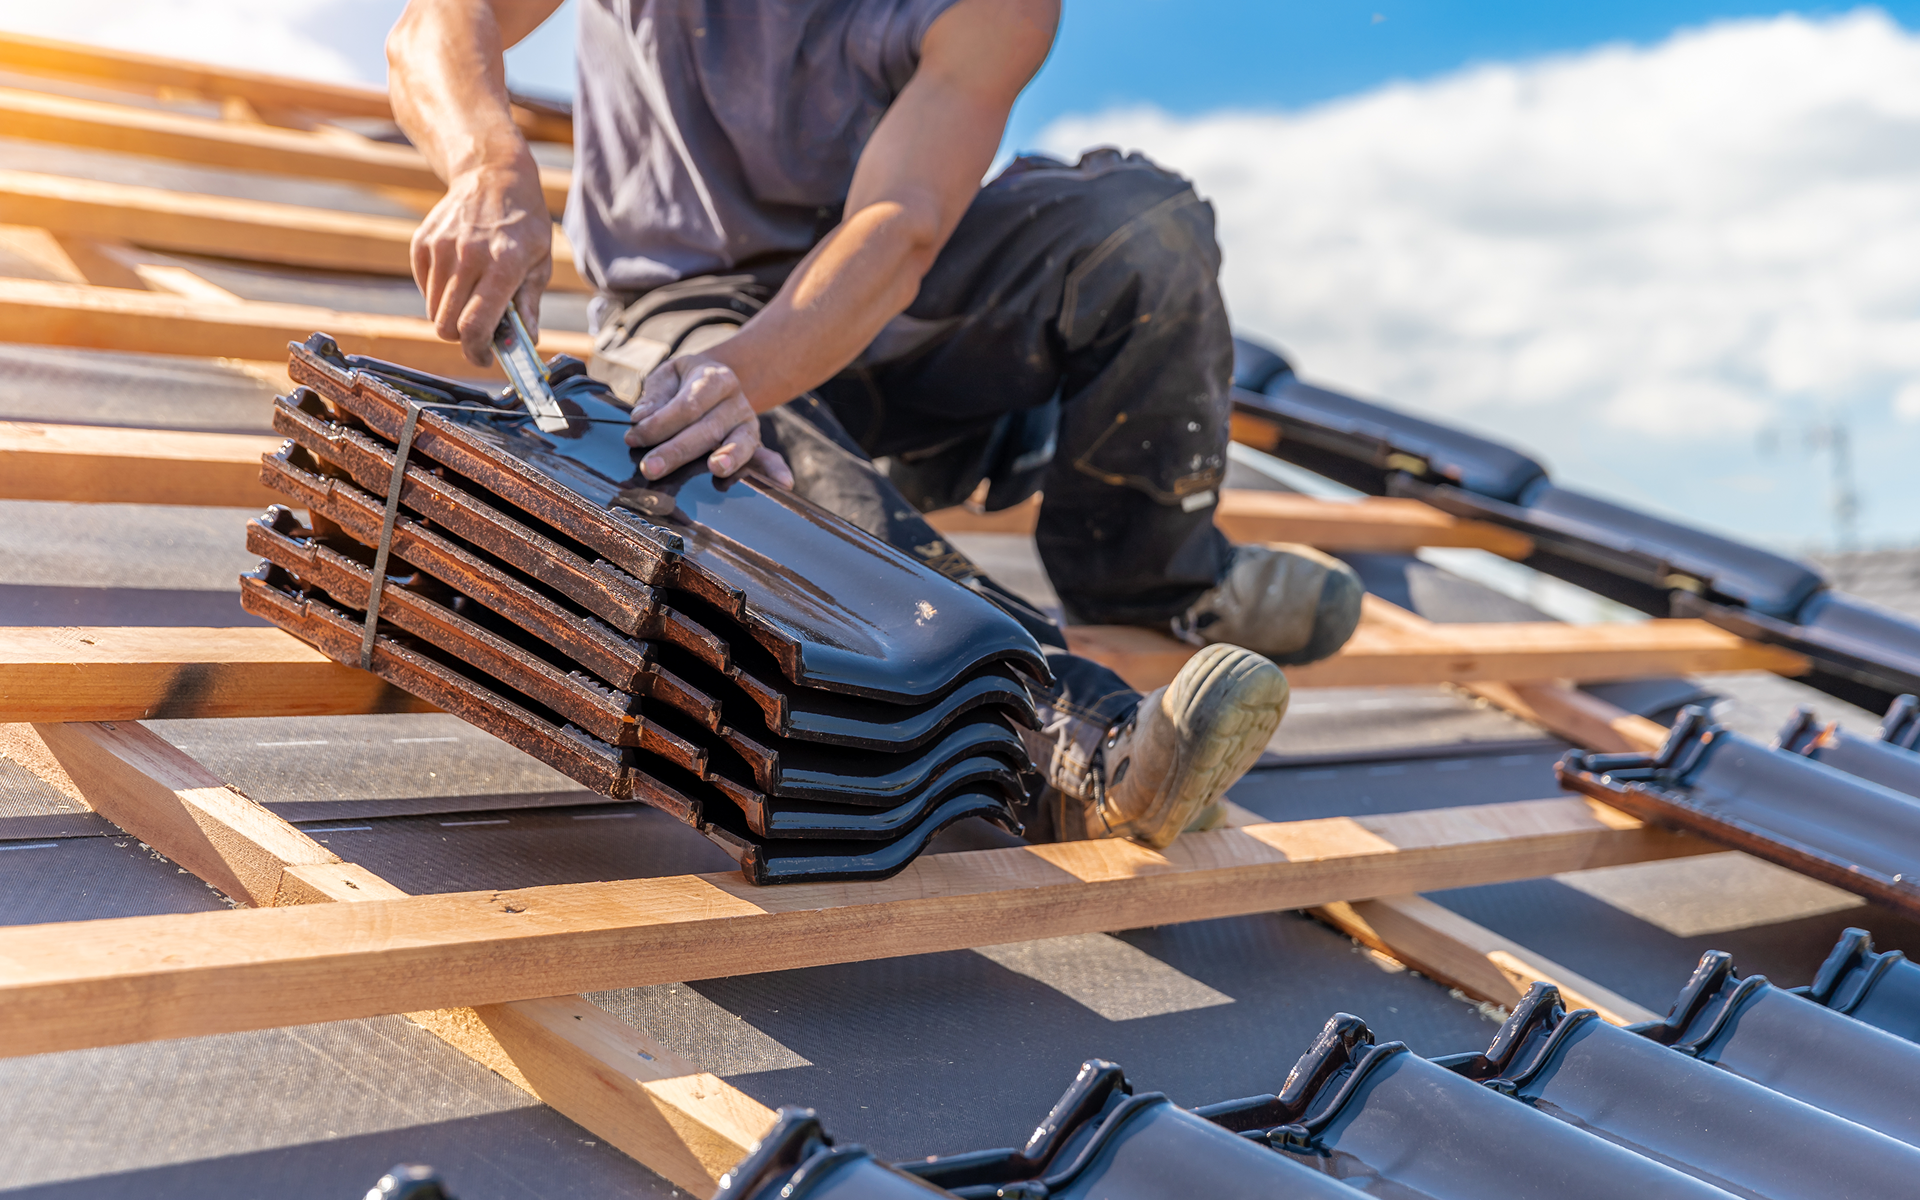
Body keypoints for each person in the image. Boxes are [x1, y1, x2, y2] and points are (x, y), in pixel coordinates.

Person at [386, 0, 1364, 847]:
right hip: (685, 301)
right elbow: (434, 24)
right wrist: (486, 165)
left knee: (1142, 231)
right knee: (706, 438)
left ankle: (1156, 577)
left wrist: (745, 374)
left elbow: (897, 227)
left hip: (891, 297)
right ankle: (1064, 744)